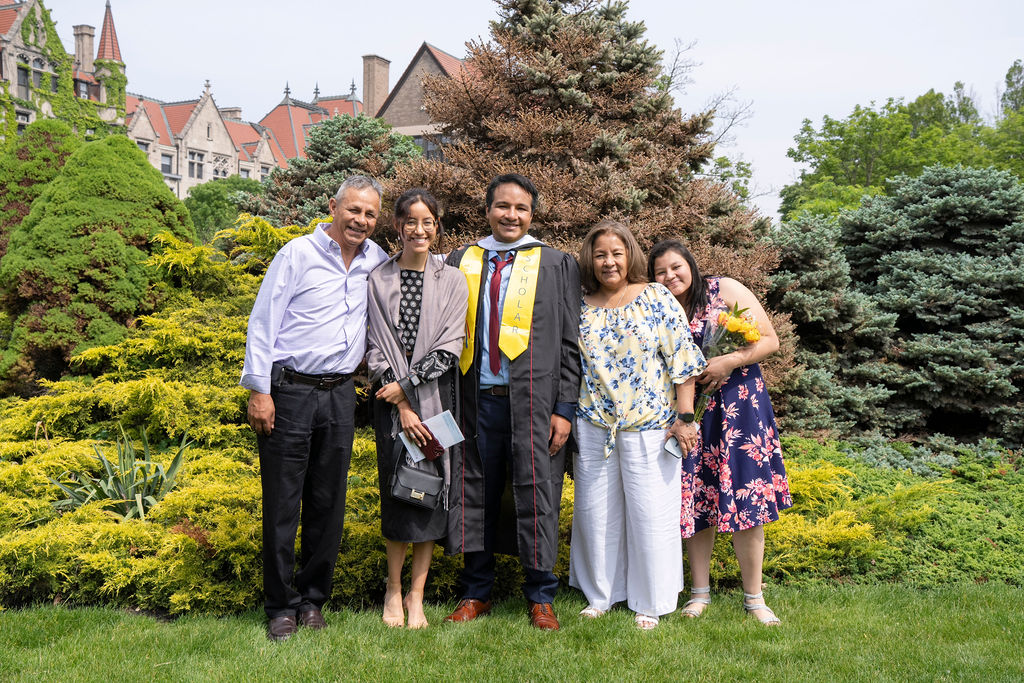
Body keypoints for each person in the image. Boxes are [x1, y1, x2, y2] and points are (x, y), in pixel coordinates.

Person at [241, 175, 388, 641]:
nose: (360, 220)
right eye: (353, 210)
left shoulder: (377, 260)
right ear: (333, 207)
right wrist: (259, 391)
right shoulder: (297, 255)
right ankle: (280, 605)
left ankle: (312, 600)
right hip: (290, 392)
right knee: (283, 504)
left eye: (369, 214)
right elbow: (263, 323)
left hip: (341, 394)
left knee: (328, 503)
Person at [443, 173, 581, 631]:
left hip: (534, 401)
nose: (511, 215)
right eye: (502, 206)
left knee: (538, 488)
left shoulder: (555, 263)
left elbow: (569, 344)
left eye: (520, 208)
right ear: (488, 210)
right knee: (472, 489)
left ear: (532, 214)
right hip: (473, 399)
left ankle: (541, 595)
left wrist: (564, 408)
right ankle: (475, 590)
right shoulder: (462, 259)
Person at [648, 239, 792, 626]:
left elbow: (769, 340)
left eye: (676, 267)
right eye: (660, 272)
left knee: (748, 504)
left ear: (690, 265)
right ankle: (699, 594)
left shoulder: (723, 289)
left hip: (741, 410)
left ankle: (755, 598)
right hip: (692, 415)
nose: (670, 276)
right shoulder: (659, 306)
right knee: (697, 500)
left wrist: (729, 359)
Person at [570, 220, 705, 630]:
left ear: (630, 254)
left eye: (616, 253)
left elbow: (683, 361)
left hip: (650, 426)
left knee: (651, 515)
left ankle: (651, 602)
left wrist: (685, 418)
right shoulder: (579, 303)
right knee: (596, 513)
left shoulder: (655, 296)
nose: (609, 262)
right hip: (594, 424)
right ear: (589, 261)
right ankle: (602, 594)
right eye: (600, 255)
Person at [366, 188, 468, 629]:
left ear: (438, 226)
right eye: (411, 221)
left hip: (437, 402)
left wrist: (407, 390)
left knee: (430, 496)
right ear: (398, 226)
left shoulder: (453, 279)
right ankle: (391, 590)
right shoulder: (378, 278)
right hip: (390, 405)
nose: (420, 229)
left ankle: (416, 596)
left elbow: (450, 347)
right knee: (399, 494)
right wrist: (401, 402)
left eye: (428, 222)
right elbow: (372, 346)